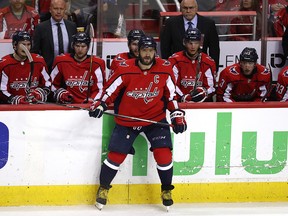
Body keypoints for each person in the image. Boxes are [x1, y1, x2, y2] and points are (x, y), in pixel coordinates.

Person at [88, 35, 187, 210]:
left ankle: (166, 190)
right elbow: (109, 91)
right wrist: (100, 105)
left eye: (150, 50)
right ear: (137, 51)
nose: (147, 54)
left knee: (164, 155)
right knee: (115, 157)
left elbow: (171, 96)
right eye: (144, 50)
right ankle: (103, 189)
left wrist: (177, 115)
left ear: (155, 52)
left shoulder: (165, 69)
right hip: (128, 120)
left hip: (155, 119)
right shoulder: (125, 69)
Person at [160, 0, 220, 71]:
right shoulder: (171, 23)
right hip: (177, 68)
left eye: (191, 8)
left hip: (201, 68)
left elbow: (214, 49)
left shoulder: (208, 24)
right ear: (181, 9)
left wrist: (214, 70)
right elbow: (165, 48)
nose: (188, 11)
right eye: (185, 8)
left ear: (196, 8)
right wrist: (168, 68)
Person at [50, 32, 106, 104]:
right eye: (77, 46)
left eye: (83, 46)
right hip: (67, 105)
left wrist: (93, 100)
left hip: (88, 106)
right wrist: (60, 94)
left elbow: (100, 89)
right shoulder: (61, 61)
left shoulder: (97, 63)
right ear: (73, 46)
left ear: (88, 47)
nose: (80, 49)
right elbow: (52, 84)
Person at [0, 31, 51, 104]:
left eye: (28, 44)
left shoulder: (38, 61)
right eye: (23, 45)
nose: (26, 48)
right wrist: (14, 99)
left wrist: (40, 93)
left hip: (35, 107)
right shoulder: (5, 64)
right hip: (13, 109)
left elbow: (48, 83)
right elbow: (2, 90)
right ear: (14, 45)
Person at [168, 28, 216, 102]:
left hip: (202, 105)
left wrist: (203, 93)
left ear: (200, 43)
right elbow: (172, 85)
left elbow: (211, 87)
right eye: (190, 43)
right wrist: (183, 97)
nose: (193, 46)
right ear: (184, 42)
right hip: (180, 103)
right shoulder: (175, 60)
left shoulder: (208, 62)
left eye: (196, 43)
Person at [32, 0, 77, 73]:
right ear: (50, 10)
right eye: (55, 9)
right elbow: (35, 51)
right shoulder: (41, 28)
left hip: (69, 70)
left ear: (65, 10)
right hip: (48, 71)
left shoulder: (72, 26)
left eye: (61, 9)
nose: (58, 12)